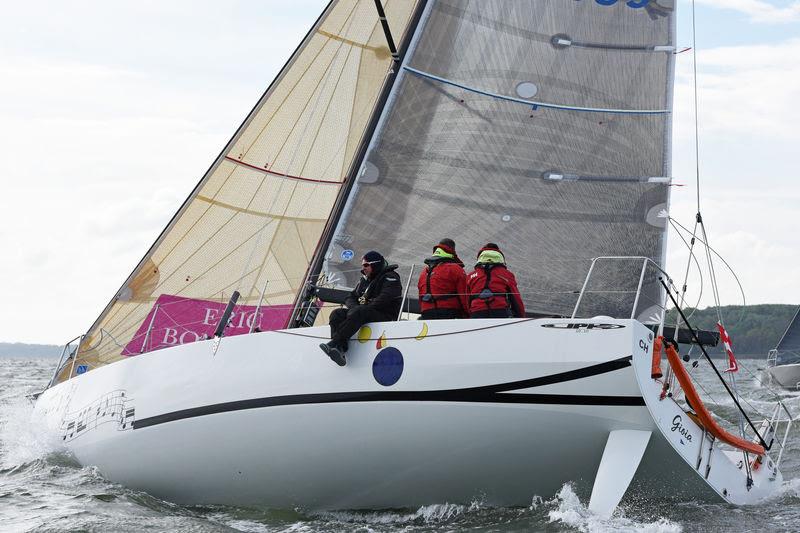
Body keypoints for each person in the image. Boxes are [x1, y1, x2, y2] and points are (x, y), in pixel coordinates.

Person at [320, 251, 402, 366]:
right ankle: (340, 349)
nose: (363, 268)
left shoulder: (391, 277)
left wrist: (362, 308)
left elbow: (386, 297)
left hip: (385, 314)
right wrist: (355, 308)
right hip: (363, 312)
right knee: (336, 313)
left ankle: (334, 343)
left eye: (366, 265)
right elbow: (350, 297)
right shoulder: (365, 279)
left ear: (375, 264)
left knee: (360, 311)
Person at [466, 243, 525, 318]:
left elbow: (466, 300)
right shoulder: (507, 274)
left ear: (480, 258)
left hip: (477, 312)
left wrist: (468, 316)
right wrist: (520, 316)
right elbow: (516, 299)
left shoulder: (471, 276)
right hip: (500, 311)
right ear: (500, 257)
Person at [417, 238, 469, 319]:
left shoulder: (424, 272)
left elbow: (420, 296)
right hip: (449, 313)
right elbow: (464, 296)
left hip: (426, 313)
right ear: (452, 250)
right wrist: (468, 314)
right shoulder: (456, 269)